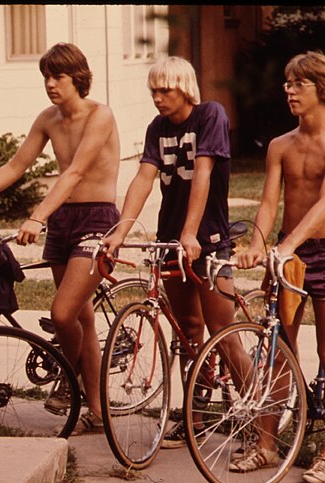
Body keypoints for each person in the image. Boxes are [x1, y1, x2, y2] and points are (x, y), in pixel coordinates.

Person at [0, 42, 121, 435]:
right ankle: (94, 410)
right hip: (64, 220)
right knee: (82, 318)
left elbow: (73, 173)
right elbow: (16, 165)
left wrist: (37, 215)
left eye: (58, 76)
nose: (50, 84)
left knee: (62, 314)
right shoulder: (48, 118)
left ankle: (65, 380)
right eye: (46, 76)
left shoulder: (100, 115)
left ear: (78, 77)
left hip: (97, 218)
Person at [103, 56, 251, 448]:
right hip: (173, 239)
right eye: (153, 90)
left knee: (224, 332)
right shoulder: (156, 128)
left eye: (165, 90)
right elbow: (143, 178)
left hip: (209, 239)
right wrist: (120, 231)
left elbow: (203, 173)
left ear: (184, 88)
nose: (157, 97)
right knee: (187, 331)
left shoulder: (210, 115)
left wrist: (191, 233)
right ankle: (196, 417)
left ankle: (259, 420)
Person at [236, 51, 325, 483]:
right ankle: (266, 446)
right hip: (287, 260)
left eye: (297, 83)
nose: (288, 90)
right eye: (287, 83)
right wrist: (257, 244)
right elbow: (269, 202)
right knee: (276, 350)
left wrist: (287, 244)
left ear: (322, 90)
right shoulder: (280, 145)